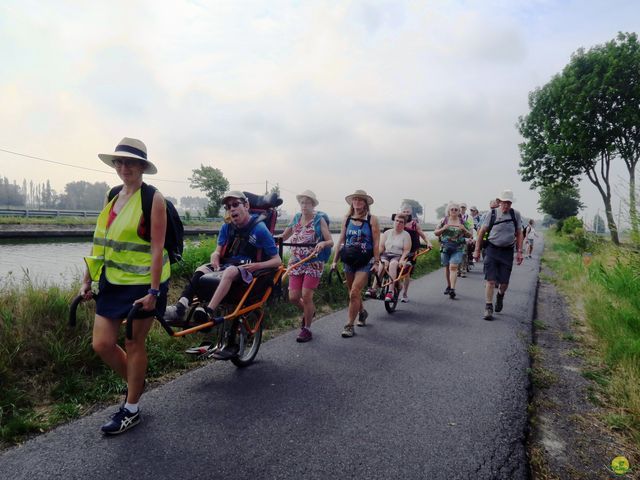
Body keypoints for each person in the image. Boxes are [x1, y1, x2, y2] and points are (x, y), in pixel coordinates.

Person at [80, 137, 170, 435]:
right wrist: (88, 278)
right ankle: (137, 382)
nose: (123, 167)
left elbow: (157, 249)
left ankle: (131, 408)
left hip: (144, 284)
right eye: (119, 162)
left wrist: (154, 293)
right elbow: (102, 242)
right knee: (102, 344)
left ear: (142, 166)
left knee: (134, 343)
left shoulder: (153, 199)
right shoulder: (112, 195)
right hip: (112, 281)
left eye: (130, 162)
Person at [164, 191, 281, 357]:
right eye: (228, 207)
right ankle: (180, 307)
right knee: (201, 269)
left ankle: (209, 312)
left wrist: (258, 265)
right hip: (227, 266)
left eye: (235, 205)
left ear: (246, 206)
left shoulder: (260, 229)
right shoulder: (227, 227)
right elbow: (217, 251)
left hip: (247, 270)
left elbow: (277, 261)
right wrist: (215, 256)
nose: (231, 209)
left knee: (231, 271)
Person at [280, 190, 333, 342]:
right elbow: (284, 236)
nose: (304, 205)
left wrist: (323, 242)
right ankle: (310, 310)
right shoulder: (296, 218)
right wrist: (273, 240)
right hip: (296, 261)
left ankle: (307, 329)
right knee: (293, 297)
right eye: (302, 202)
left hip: (313, 262)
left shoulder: (319, 220)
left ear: (313, 205)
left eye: (307, 203)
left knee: (306, 295)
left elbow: (330, 241)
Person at [331, 189, 380, 337]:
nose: (357, 202)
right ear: (352, 202)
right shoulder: (346, 219)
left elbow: (376, 242)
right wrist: (334, 261)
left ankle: (349, 325)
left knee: (354, 292)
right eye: (355, 199)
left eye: (360, 200)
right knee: (353, 292)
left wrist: (377, 261)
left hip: (365, 261)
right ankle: (362, 312)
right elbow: (341, 240)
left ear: (365, 203)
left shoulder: (372, 219)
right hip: (349, 259)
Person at [473, 189, 524, 320]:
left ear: (511, 203)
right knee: (490, 280)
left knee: (504, 282)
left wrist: (520, 252)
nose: (506, 205)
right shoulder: (492, 214)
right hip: (492, 249)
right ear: (499, 202)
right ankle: (488, 306)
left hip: (507, 251)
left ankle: (500, 295)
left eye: (509, 203)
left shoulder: (515, 215)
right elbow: (481, 232)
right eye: (504, 202)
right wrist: (477, 250)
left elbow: (519, 233)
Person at [434, 202, 472, 299]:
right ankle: (449, 285)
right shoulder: (444, 220)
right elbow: (436, 233)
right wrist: (443, 228)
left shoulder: (463, 222)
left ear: (459, 211)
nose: (454, 211)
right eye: (452, 209)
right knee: (447, 267)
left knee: (453, 267)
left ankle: (452, 289)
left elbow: (470, 235)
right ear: (449, 211)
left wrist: (464, 230)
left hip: (458, 248)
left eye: (456, 209)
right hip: (445, 247)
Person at [371, 213, 411, 302]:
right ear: (394, 221)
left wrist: (402, 259)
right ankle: (374, 289)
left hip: (397, 256)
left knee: (393, 265)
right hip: (386, 254)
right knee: (382, 264)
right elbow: (381, 247)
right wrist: (375, 257)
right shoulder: (387, 233)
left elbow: (406, 250)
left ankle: (391, 291)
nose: (398, 223)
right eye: (396, 221)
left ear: (404, 224)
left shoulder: (406, 235)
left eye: (401, 222)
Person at [398, 204, 432, 302]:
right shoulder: (398, 222)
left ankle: (404, 294)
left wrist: (428, 242)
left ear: (411, 213)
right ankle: (396, 287)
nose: (405, 214)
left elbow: (423, 235)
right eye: (404, 212)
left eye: (407, 212)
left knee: (406, 272)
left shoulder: (414, 224)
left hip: (411, 251)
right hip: (398, 249)